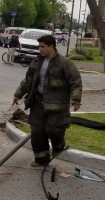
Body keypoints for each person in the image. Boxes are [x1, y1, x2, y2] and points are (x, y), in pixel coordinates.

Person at [12, 35, 82, 167]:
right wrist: (18, 94)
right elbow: (28, 80)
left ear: (51, 46)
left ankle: (58, 146)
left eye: (42, 47)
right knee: (37, 132)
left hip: (57, 105)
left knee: (54, 129)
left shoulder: (64, 63)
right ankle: (41, 159)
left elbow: (76, 82)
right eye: (39, 47)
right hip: (38, 102)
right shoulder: (37, 61)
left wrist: (76, 100)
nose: (40, 49)